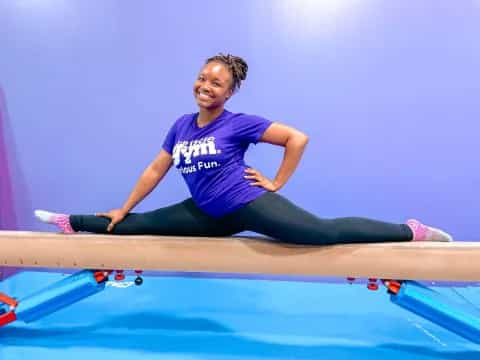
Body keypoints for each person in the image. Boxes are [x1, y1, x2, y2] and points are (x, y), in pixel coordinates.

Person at [35, 53, 452, 244]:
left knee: (322, 233)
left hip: (244, 202)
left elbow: (297, 138)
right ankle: (70, 220)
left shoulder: (238, 123)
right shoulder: (181, 125)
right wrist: (124, 205)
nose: (206, 86)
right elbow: (156, 169)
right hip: (204, 213)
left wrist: (276, 182)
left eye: (216, 82)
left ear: (229, 91)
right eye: (202, 78)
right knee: (135, 224)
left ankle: (410, 231)